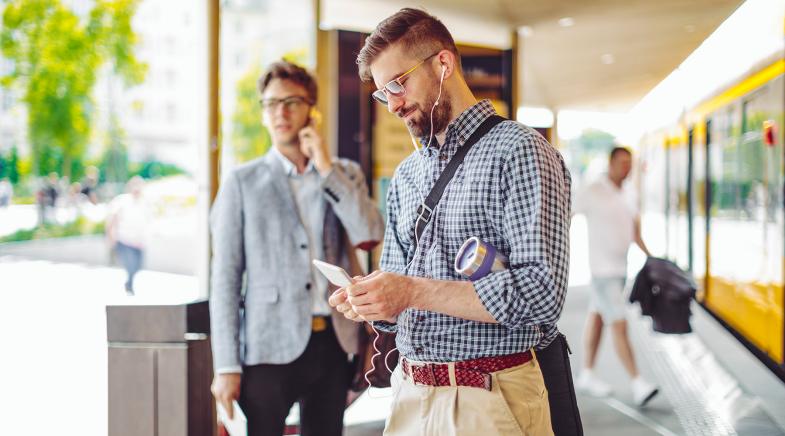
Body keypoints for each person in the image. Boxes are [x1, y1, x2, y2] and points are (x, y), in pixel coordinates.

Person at [329, 8, 571, 435]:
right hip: (410, 395)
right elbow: (401, 294)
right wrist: (373, 301)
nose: (394, 105)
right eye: (384, 94)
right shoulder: (407, 175)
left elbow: (541, 296)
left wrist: (410, 290)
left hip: (491, 398)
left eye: (399, 84)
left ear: (443, 63)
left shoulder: (521, 151)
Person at [209, 60, 384, 436]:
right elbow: (224, 280)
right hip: (267, 347)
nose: (280, 112)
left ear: (312, 110)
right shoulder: (242, 182)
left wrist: (324, 166)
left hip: (333, 344)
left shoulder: (343, 174)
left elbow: (368, 231)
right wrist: (226, 366)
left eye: (291, 101)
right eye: (270, 104)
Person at [572, 146, 659, 406]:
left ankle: (586, 374)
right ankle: (638, 382)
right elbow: (566, 216)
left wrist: (653, 259)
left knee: (597, 318)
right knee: (619, 323)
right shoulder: (594, 190)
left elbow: (635, 232)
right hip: (602, 271)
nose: (627, 168)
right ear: (610, 163)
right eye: (622, 163)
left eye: (629, 163)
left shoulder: (630, 193)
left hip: (621, 271)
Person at [106, 176, 149, 295]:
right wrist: (110, 236)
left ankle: (129, 283)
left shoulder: (144, 203)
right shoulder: (122, 201)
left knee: (138, 266)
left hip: (139, 242)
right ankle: (129, 285)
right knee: (130, 265)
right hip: (124, 240)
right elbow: (113, 218)